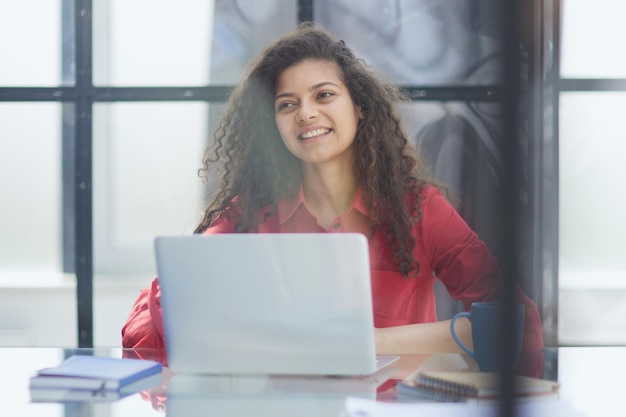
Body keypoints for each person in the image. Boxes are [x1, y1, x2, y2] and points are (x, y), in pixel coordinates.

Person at [122, 22, 544, 363]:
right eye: (286, 104)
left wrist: (372, 341)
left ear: (359, 107)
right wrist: (197, 281)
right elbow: (141, 338)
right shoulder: (250, 213)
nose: (305, 112)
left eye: (324, 95)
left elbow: (522, 326)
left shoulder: (418, 209)